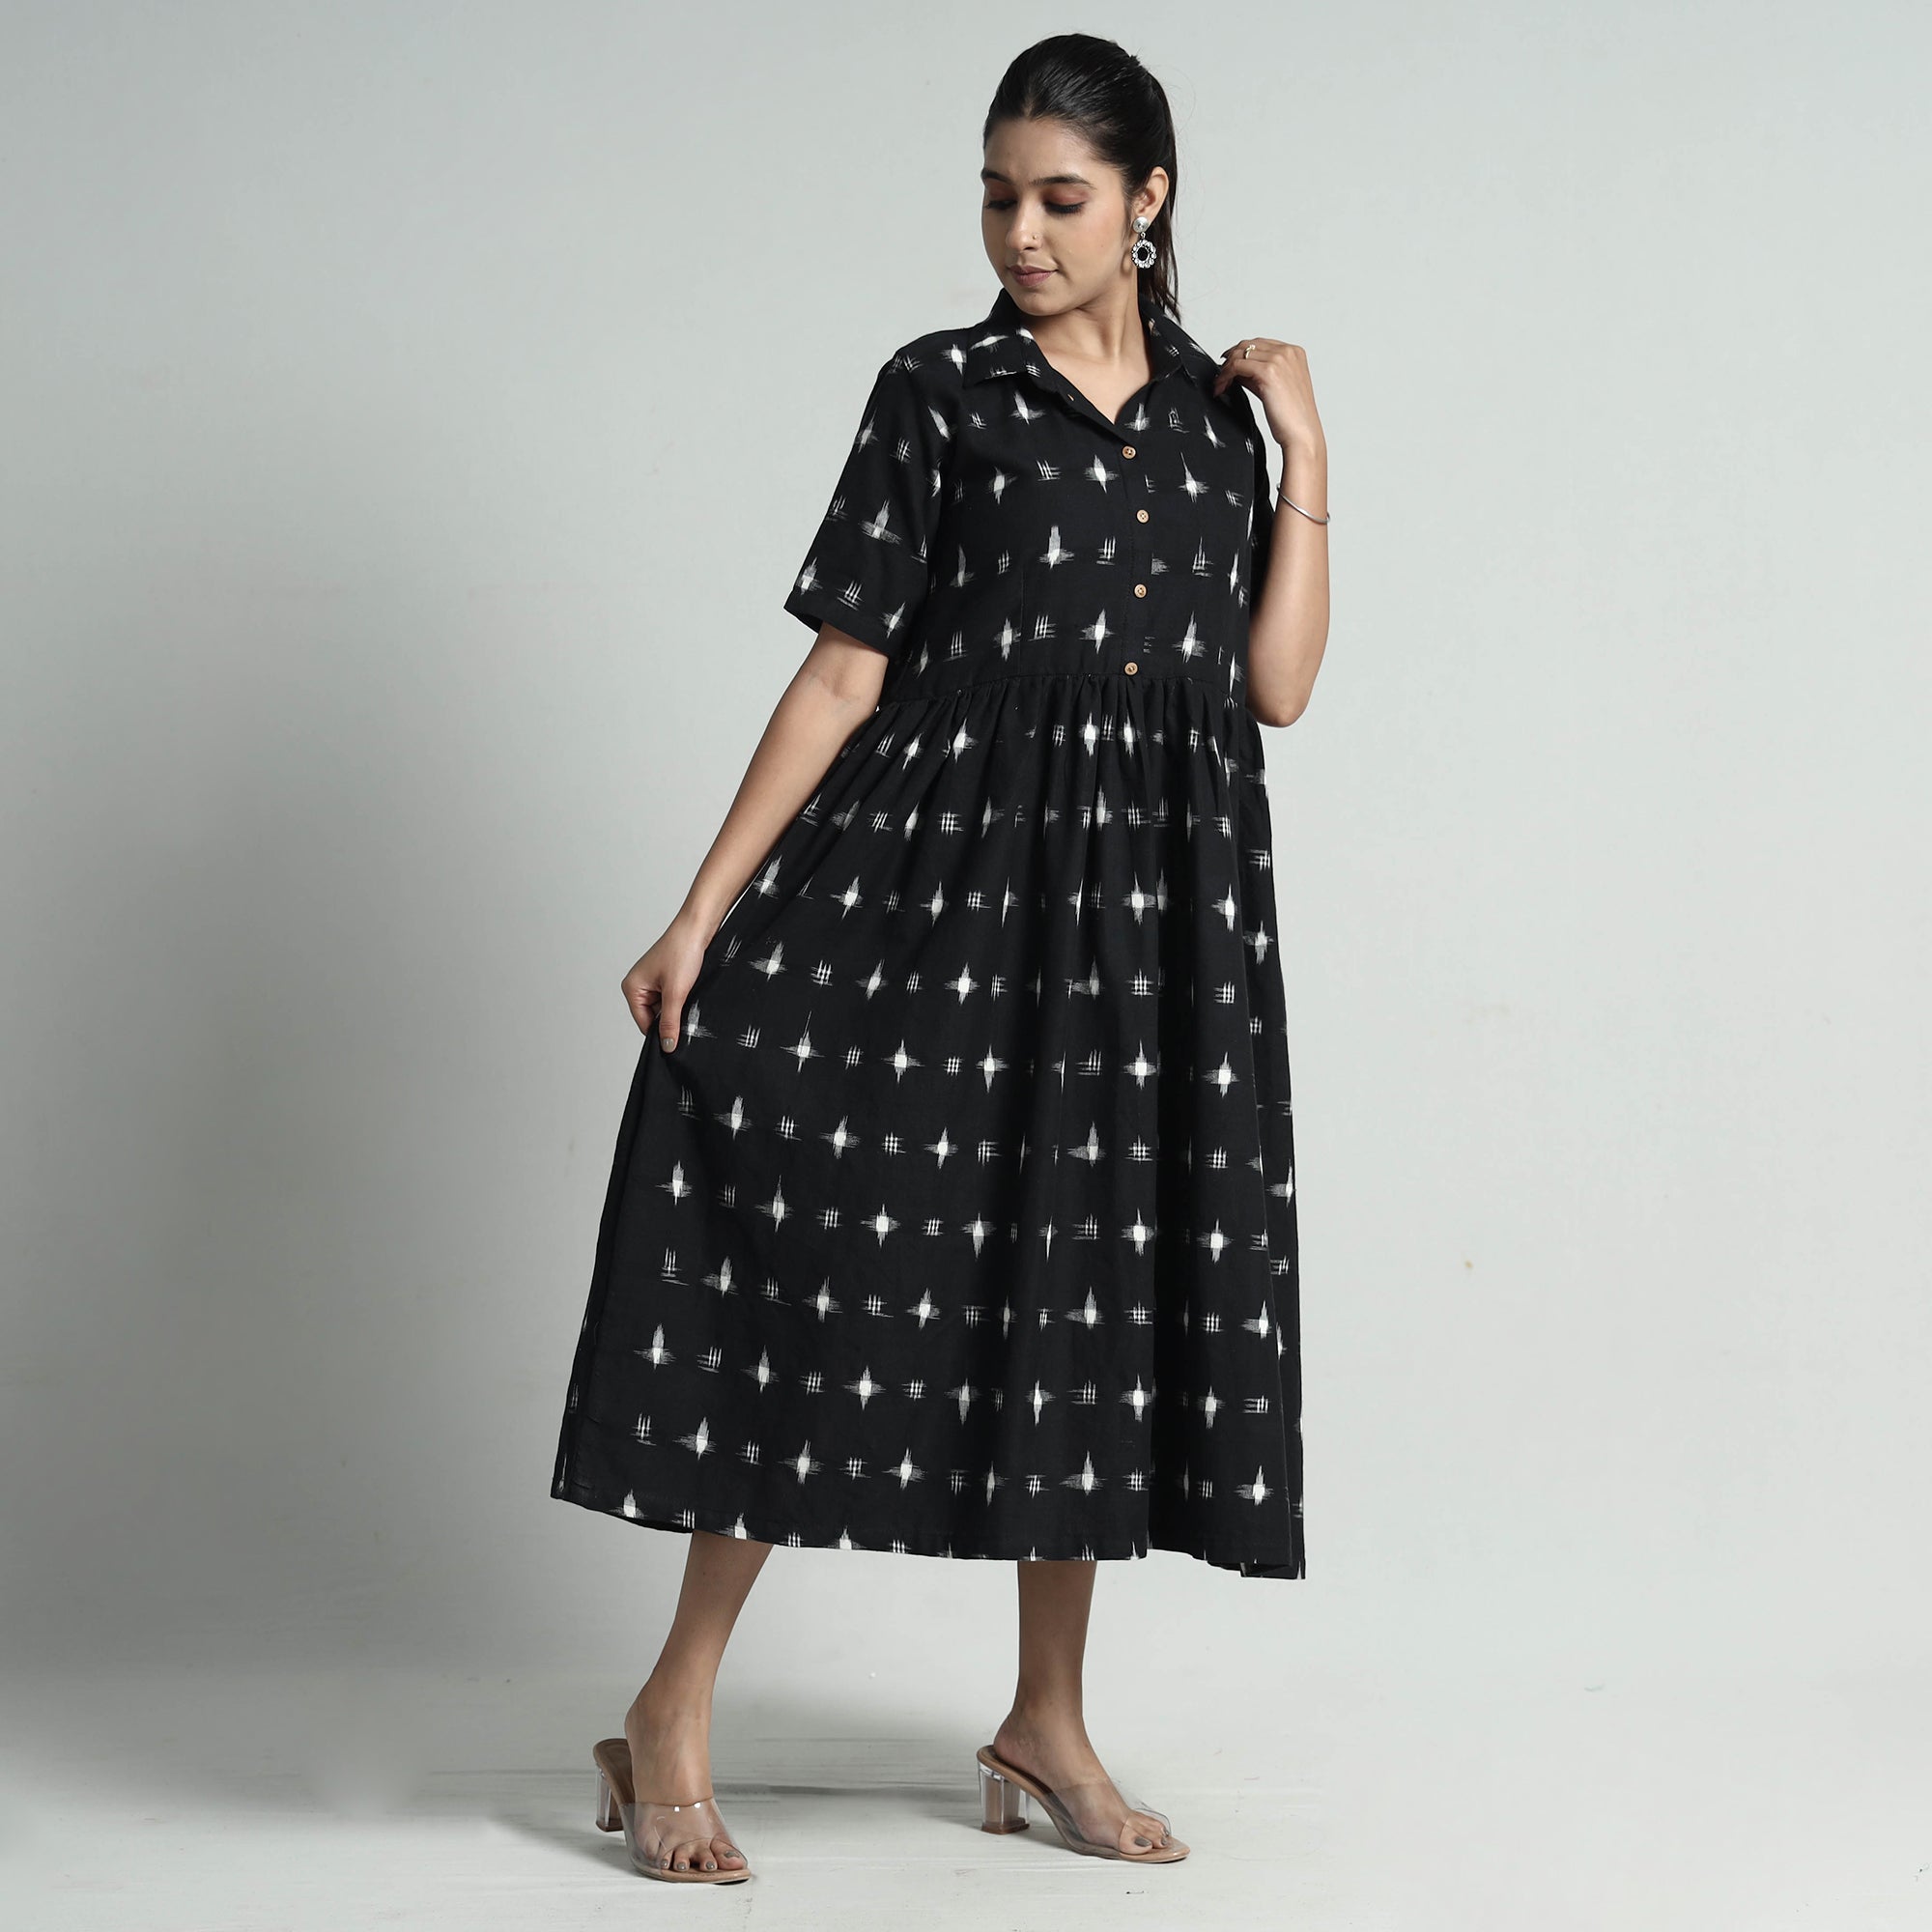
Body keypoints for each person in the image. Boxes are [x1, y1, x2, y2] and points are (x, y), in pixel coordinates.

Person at [552, 32, 1330, 1884]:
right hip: (935, 891)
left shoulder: (1220, 425)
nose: (1021, 234)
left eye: (1061, 198)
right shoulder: (940, 392)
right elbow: (845, 670)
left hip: (1146, 923)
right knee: (824, 1263)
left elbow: (1277, 687)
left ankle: (1046, 1718)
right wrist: (702, 911)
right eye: (998, 198)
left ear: (1150, 202)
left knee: (1094, 1285)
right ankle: (672, 1704)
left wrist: (1311, 451)